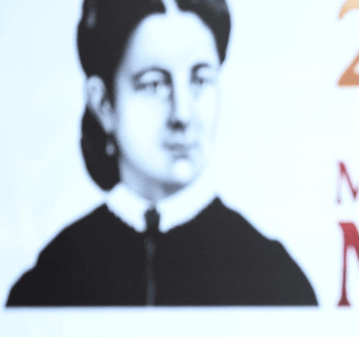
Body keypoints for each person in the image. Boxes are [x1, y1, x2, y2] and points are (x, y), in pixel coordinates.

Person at [6, 0, 316, 307]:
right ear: (103, 103)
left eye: (200, 80)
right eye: (154, 85)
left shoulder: (273, 278)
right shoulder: (52, 280)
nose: (182, 114)